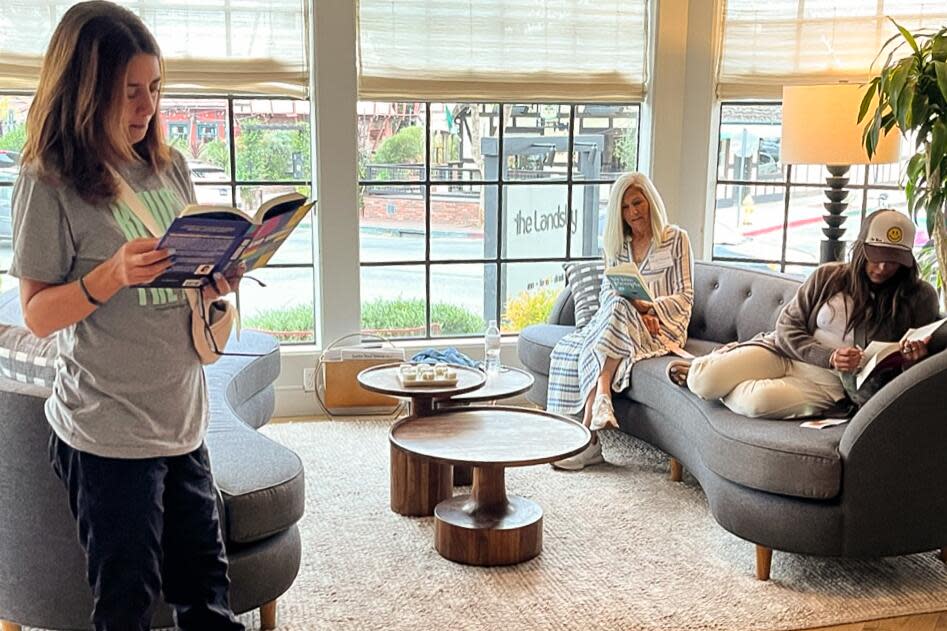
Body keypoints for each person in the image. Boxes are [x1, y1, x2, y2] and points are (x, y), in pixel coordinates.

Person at [10, 2, 245, 629]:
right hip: (107, 433)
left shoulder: (170, 168)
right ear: (85, 93)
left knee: (208, 598)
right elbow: (37, 315)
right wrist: (109, 275)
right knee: (127, 605)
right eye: (129, 93)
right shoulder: (48, 179)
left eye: (154, 89)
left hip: (183, 421)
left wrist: (220, 276)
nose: (146, 108)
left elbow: (186, 285)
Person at [668, 209, 940, 419]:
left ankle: (722, 369)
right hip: (782, 352)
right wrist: (830, 356)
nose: (882, 267)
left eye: (892, 260)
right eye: (876, 255)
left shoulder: (919, 297)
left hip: (830, 386)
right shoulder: (829, 277)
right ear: (860, 250)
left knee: (756, 404)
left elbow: (915, 372)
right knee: (703, 381)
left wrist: (912, 360)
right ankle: (710, 368)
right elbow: (787, 326)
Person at [548, 172, 694, 470]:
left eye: (637, 203)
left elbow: (686, 297)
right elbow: (607, 295)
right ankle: (592, 417)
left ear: (650, 201)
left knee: (614, 312)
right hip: (623, 322)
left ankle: (589, 433)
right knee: (608, 310)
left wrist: (651, 309)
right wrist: (637, 306)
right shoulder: (619, 247)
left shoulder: (676, 239)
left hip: (663, 328)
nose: (633, 212)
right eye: (625, 208)